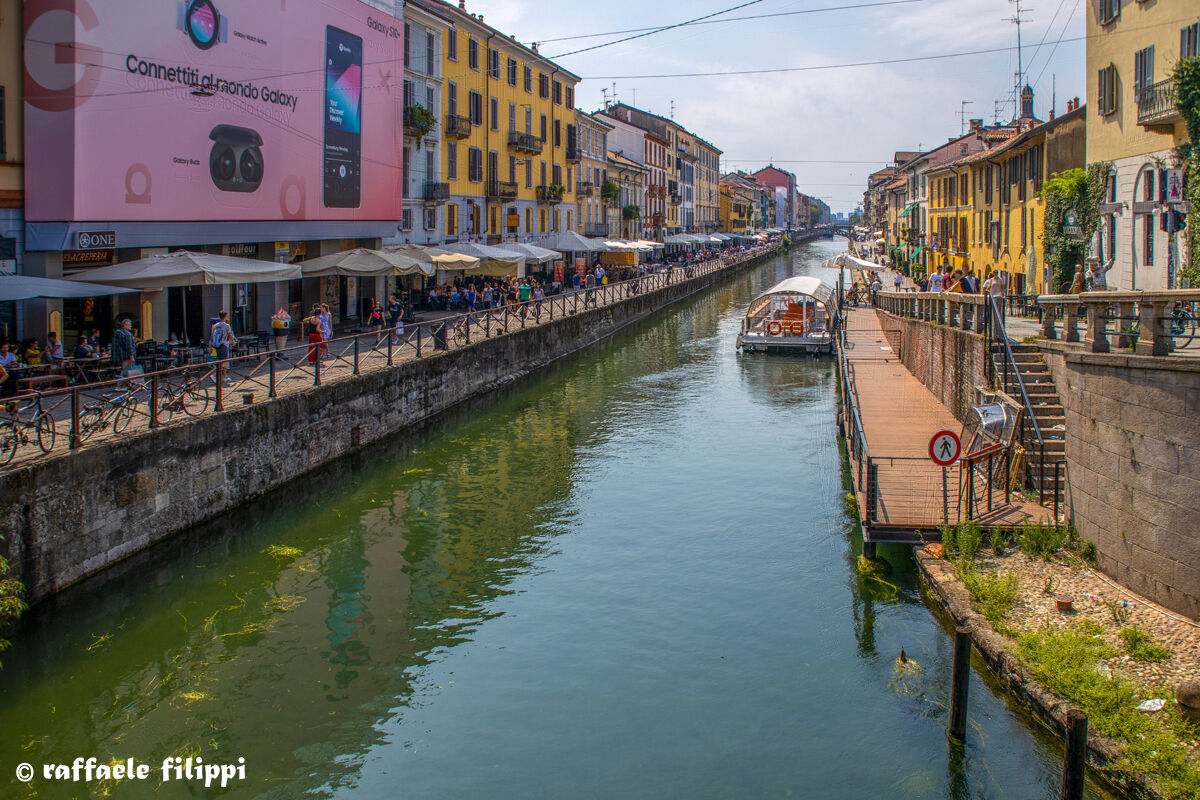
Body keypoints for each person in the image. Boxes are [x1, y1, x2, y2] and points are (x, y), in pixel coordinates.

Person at [210, 311, 237, 384]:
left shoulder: (215, 325)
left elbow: (212, 337)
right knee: (224, 361)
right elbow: (229, 335)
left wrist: (211, 346)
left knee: (220, 360)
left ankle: (225, 377)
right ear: (225, 316)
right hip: (224, 345)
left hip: (216, 345)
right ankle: (214, 375)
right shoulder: (226, 325)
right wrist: (233, 342)